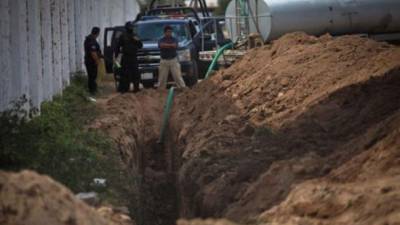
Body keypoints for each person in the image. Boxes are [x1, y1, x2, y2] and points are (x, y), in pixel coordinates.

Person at [115, 21, 143, 93]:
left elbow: (140, 45)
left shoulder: (135, 35)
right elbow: (118, 46)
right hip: (126, 57)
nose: (130, 29)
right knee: (124, 74)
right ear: (126, 28)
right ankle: (124, 89)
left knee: (135, 74)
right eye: (129, 27)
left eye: (131, 27)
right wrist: (116, 56)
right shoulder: (122, 36)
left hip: (133, 57)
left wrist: (135, 40)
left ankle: (136, 89)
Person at [158, 25, 186, 90]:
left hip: (173, 60)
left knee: (177, 76)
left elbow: (175, 45)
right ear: (164, 32)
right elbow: (161, 45)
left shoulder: (174, 39)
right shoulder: (161, 39)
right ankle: (161, 90)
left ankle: (183, 88)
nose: (169, 33)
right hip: (164, 60)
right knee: (162, 78)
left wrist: (166, 45)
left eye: (170, 32)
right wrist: (170, 45)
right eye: (168, 32)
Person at [84, 27, 102, 95]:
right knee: (92, 76)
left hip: (90, 61)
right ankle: (92, 91)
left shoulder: (89, 39)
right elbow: (93, 53)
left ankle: (93, 90)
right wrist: (97, 61)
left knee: (92, 76)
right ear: (97, 33)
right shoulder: (91, 40)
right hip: (91, 62)